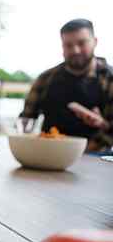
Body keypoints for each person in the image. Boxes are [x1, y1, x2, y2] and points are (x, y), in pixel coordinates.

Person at [21, 19, 113, 152]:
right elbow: (26, 121)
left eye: (82, 43)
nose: (75, 50)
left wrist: (102, 124)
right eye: (68, 45)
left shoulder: (109, 79)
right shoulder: (45, 79)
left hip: (95, 155)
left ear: (95, 42)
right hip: (49, 153)